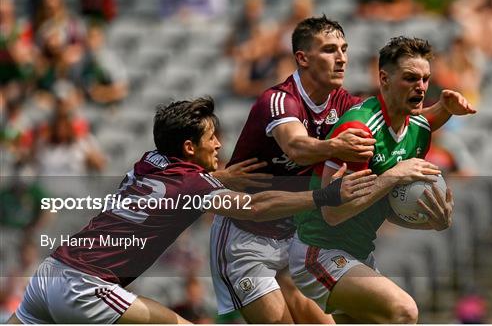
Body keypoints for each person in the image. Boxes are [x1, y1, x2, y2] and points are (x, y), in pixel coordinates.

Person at [7, 97, 374, 324]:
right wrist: (324, 196)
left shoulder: (147, 162)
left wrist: (219, 175)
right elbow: (256, 207)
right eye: (211, 137)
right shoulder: (196, 186)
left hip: (50, 273)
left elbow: (176, 185)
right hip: (87, 286)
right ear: (188, 146)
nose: (218, 143)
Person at [209, 16, 475, 323]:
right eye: (330, 49)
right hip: (247, 230)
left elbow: (396, 119)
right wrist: (339, 147)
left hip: (293, 230)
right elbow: (296, 147)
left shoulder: (345, 103)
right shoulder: (280, 100)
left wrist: (442, 109)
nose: (342, 58)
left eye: (344, 49)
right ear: (302, 58)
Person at [289, 36, 462, 323]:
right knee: (404, 311)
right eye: (410, 78)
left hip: (359, 256)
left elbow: (382, 205)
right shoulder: (359, 130)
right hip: (318, 252)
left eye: (425, 79)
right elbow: (332, 213)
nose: (420, 88)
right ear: (384, 78)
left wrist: (433, 223)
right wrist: (394, 175)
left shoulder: (418, 130)